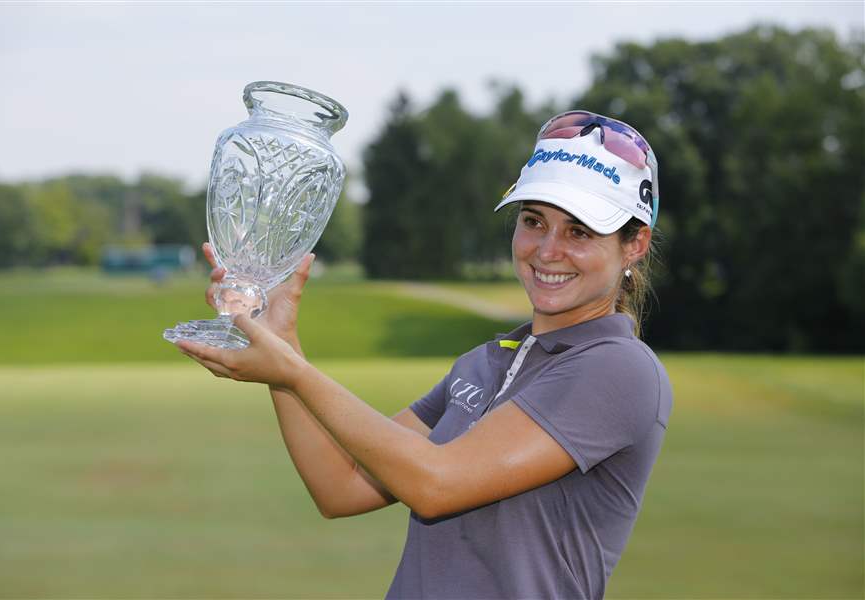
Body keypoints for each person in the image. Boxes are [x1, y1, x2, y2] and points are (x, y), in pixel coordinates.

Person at [177, 110, 673, 600]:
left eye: (579, 232)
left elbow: (435, 484)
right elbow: (340, 486)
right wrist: (282, 344)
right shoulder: (486, 362)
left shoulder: (620, 368)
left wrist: (295, 372)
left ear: (635, 245)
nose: (547, 250)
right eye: (533, 221)